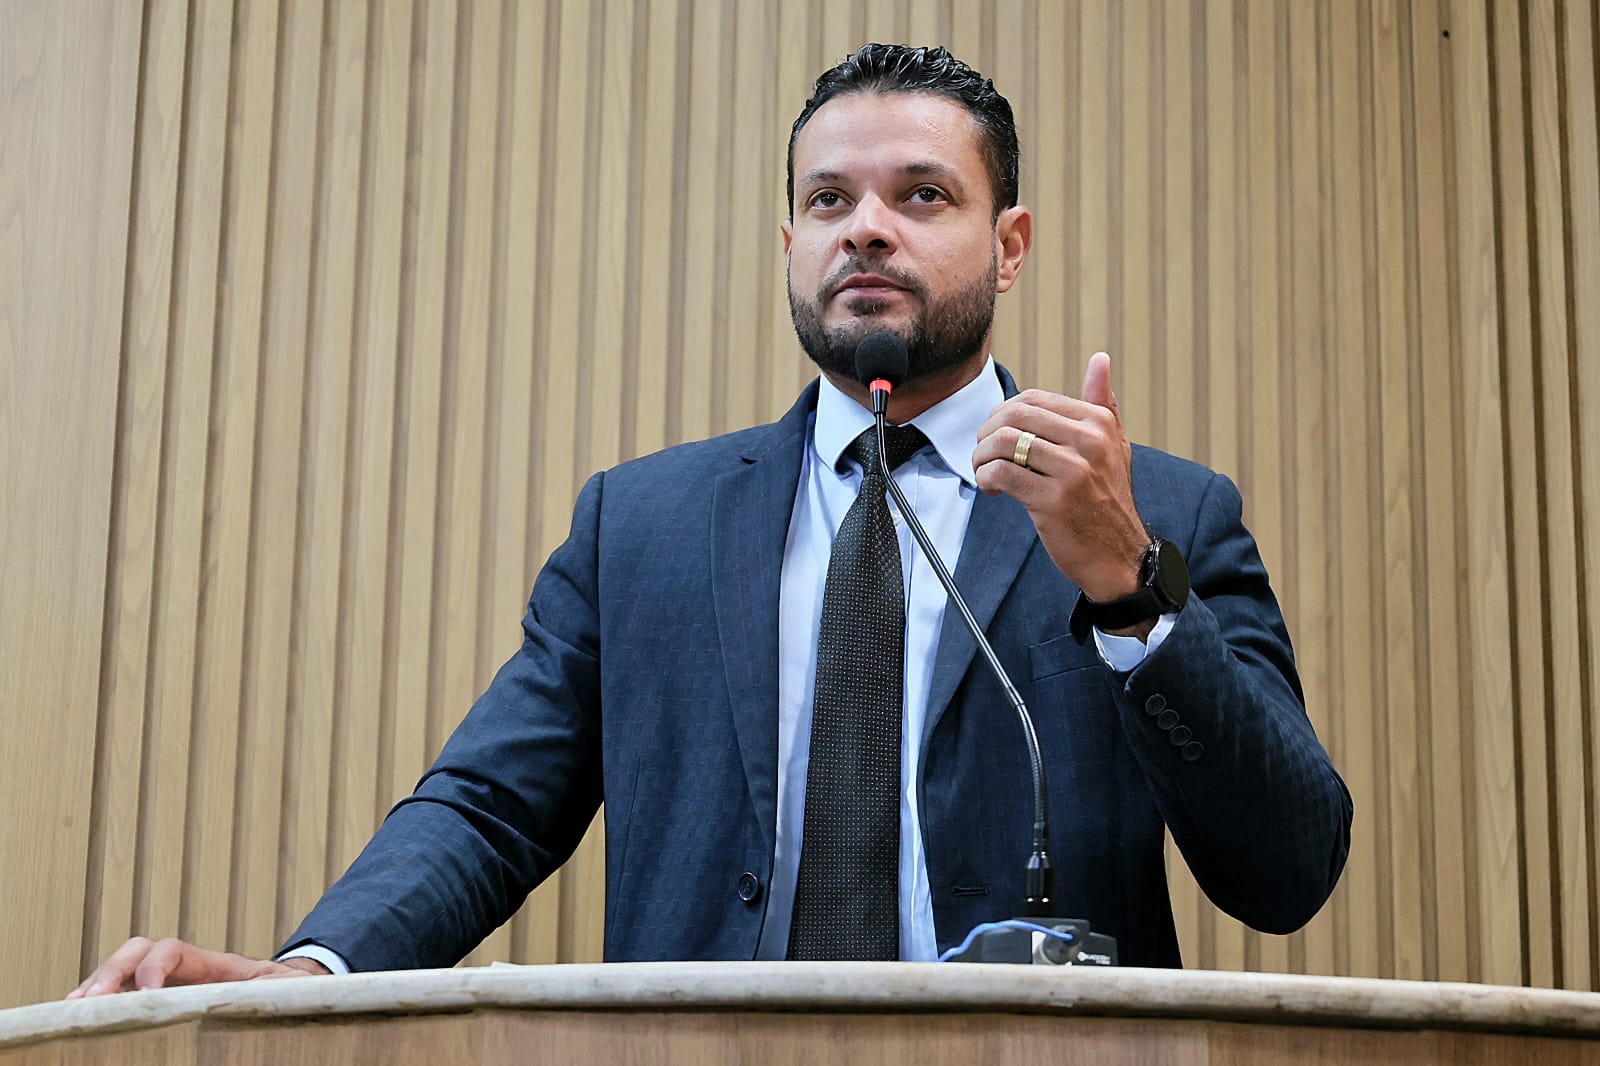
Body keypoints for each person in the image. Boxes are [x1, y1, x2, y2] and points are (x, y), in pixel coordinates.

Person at [71, 43, 1350, 996]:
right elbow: (490, 803)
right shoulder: (644, 524)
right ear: (788, 239)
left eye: (921, 195)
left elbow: (1288, 870)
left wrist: (1131, 591)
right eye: (829, 201)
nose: (867, 230)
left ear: (1009, 244)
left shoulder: (1159, 511)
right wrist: (315, 969)